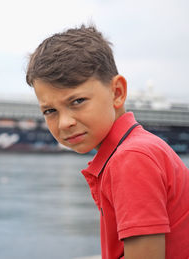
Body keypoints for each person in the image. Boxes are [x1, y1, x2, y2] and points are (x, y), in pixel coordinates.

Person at [25, 24, 189, 258]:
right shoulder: (140, 147)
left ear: (117, 92)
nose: (64, 123)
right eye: (50, 111)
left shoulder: (131, 159)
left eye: (77, 101)